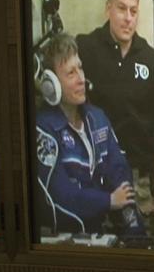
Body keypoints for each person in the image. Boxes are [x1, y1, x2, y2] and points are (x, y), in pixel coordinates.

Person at [76, 0, 154, 213]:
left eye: (134, 11)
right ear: (108, 8)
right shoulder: (85, 49)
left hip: (140, 176)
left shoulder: (151, 59)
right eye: (121, 9)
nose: (128, 18)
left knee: (140, 245)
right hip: (94, 172)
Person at [35, 33, 142, 235]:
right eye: (71, 73)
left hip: (102, 233)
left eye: (80, 68)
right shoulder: (43, 130)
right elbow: (60, 196)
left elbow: (119, 174)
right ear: (51, 85)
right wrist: (108, 201)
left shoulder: (97, 118)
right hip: (68, 241)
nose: (81, 79)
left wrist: (135, 235)